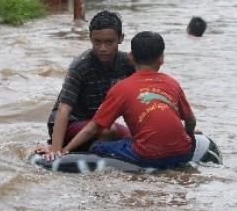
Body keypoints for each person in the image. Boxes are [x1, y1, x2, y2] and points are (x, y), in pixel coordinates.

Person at [41, 31, 198, 169]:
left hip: (147, 157)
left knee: (98, 146)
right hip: (183, 153)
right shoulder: (173, 83)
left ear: (131, 57)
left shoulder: (121, 88)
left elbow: (93, 128)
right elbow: (190, 121)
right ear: (161, 58)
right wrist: (189, 135)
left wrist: (65, 150)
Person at [36, 10, 135, 155]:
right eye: (97, 42)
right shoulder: (81, 66)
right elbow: (64, 110)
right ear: (90, 39)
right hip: (71, 123)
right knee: (110, 131)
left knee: (131, 137)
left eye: (109, 42)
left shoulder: (127, 63)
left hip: (96, 123)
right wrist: (57, 150)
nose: (103, 49)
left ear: (120, 38)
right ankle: (80, 150)